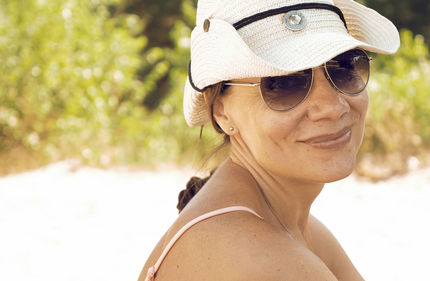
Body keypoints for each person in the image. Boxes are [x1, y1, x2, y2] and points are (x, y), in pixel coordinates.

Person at [138, 0, 399, 280]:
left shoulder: (295, 231)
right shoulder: (262, 257)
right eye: (284, 83)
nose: (332, 107)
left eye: (344, 67)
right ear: (221, 111)